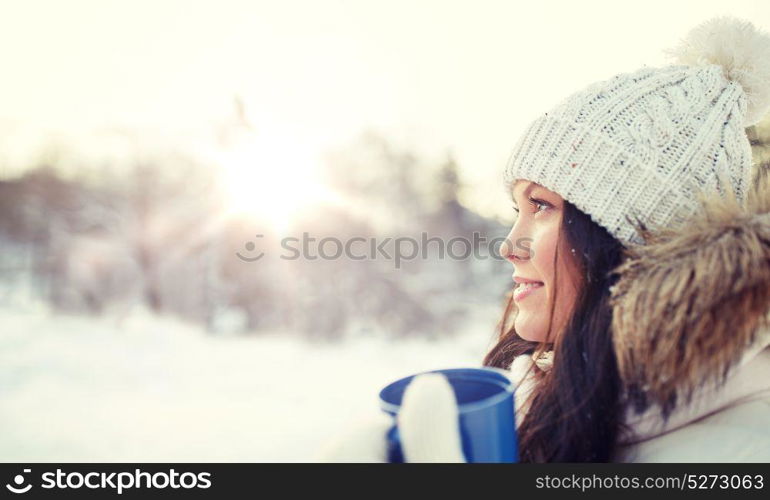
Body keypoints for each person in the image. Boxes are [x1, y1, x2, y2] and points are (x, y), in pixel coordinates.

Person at [315, 15, 770, 462]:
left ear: (633, 239)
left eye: (543, 206)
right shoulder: (544, 392)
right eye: (519, 209)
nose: (509, 245)